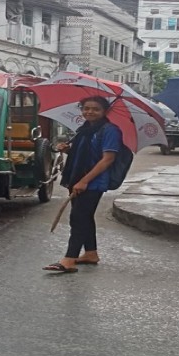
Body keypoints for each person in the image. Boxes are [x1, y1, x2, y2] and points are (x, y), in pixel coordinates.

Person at [43, 96, 122, 273]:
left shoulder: (110, 130)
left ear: (104, 111)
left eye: (96, 109)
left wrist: (85, 181)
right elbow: (83, 152)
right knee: (85, 217)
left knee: (78, 218)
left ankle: (69, 259)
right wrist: (68, 149)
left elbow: (108, 159)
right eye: (86, 108)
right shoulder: (84, 130)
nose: (90, 112)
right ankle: (90, 253)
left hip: (93, 182)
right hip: (76, 178)